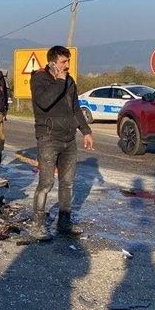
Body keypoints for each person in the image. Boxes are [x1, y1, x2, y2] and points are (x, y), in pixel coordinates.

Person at [29, 45, 94, 241]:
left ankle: (64, 223)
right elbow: (44, 102)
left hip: (68, 139)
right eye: (63, 62)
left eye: (68, 61)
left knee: (67, 184)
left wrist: (86, 131)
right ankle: (37, 225)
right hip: (49, 138)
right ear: (52, 63)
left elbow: (75, 108)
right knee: (46, 183)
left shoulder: (70, 81)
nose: (67, 66)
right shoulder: (39, 79)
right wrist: (59, 81)